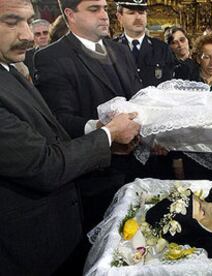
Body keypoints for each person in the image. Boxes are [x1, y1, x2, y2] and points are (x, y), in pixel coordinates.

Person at [0, 0, 140, 274]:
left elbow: (49, 131)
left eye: (28, 22)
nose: (28, 36)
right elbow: (45, 164)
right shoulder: (45, 58)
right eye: (11, 21)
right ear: (69, 15)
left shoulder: (9, 69)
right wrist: (108, 134)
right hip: (27, 247)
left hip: (59, 229)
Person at [34, 0, 146, 235]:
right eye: (94, 9)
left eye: (105, 8)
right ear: (70, 15)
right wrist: (104, 129)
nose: (104, 15)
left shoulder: (120, 50)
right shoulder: (51, 57)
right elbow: (58, 120)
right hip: (96, 180)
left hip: (137, 169)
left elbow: (136, 98)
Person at [115, 0, 175, 88]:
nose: (138, 17)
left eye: (141, 12)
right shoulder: (111, 49)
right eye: (131, 13)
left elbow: (168, 86)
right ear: (120, 17)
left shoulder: (162, 49)